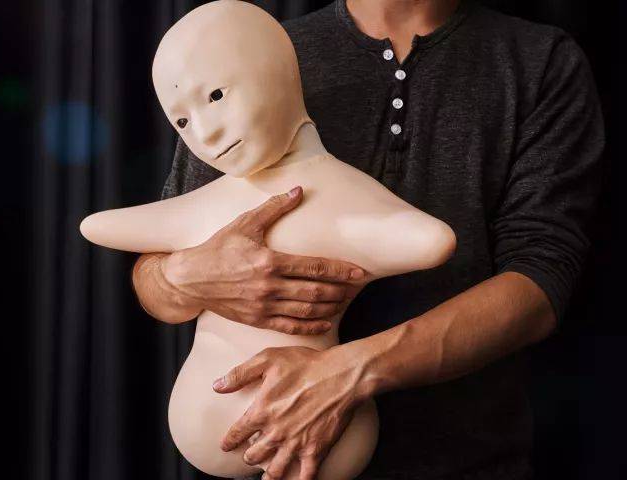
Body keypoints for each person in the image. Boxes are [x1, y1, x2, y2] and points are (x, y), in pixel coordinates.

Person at [132, 0, 605, 478]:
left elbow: (541, 281)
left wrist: (353, 371)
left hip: (466, 461)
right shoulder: (256, 46)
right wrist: (181, 277)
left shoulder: (538, 61)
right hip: (256, 454)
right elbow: (155, 272)